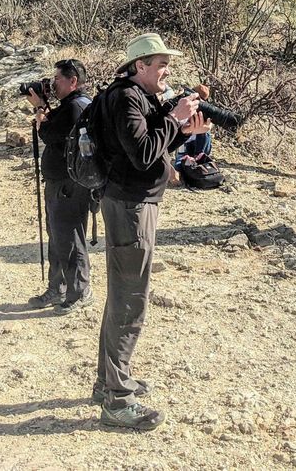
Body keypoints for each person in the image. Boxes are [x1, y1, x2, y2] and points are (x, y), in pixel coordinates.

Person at [91, 33, 210, 431]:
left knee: (122, 295)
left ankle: (108, 381)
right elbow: (143, 154)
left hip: (133, 203)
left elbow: (147, 145)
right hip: (130, 207)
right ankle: (117, 401)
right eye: (161, 64)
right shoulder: (126, 98)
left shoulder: (131, 96)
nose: (167, 70)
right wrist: (175, 119)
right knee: (129, 301)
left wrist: (182, 129)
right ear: (139, 66)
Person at [25, 59, 94, 314]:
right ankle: (58, 288)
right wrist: (45, 107)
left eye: (57, 79)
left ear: (73, 81)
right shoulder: (72, 105)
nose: (53, 83)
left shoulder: (77, 107)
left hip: (70, 184)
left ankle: (80, 291)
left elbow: (50, 134)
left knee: (70, 237)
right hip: (60, 181)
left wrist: (41, 109)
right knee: (58, 236)